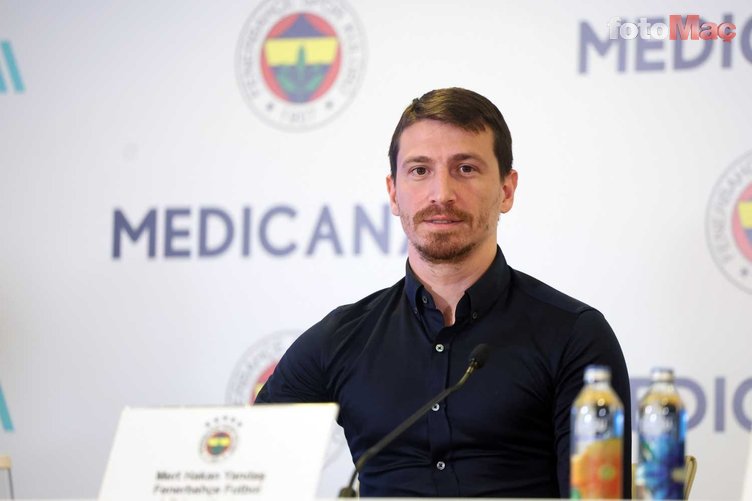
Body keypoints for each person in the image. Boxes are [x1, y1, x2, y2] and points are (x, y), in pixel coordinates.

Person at [255, 87, 631, 498]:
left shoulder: (573, 335)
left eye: (465, 168)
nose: (441, 194)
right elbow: (248, 468)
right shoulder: (342, 338)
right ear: (393, 192)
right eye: (420, 170)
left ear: (507, 190)